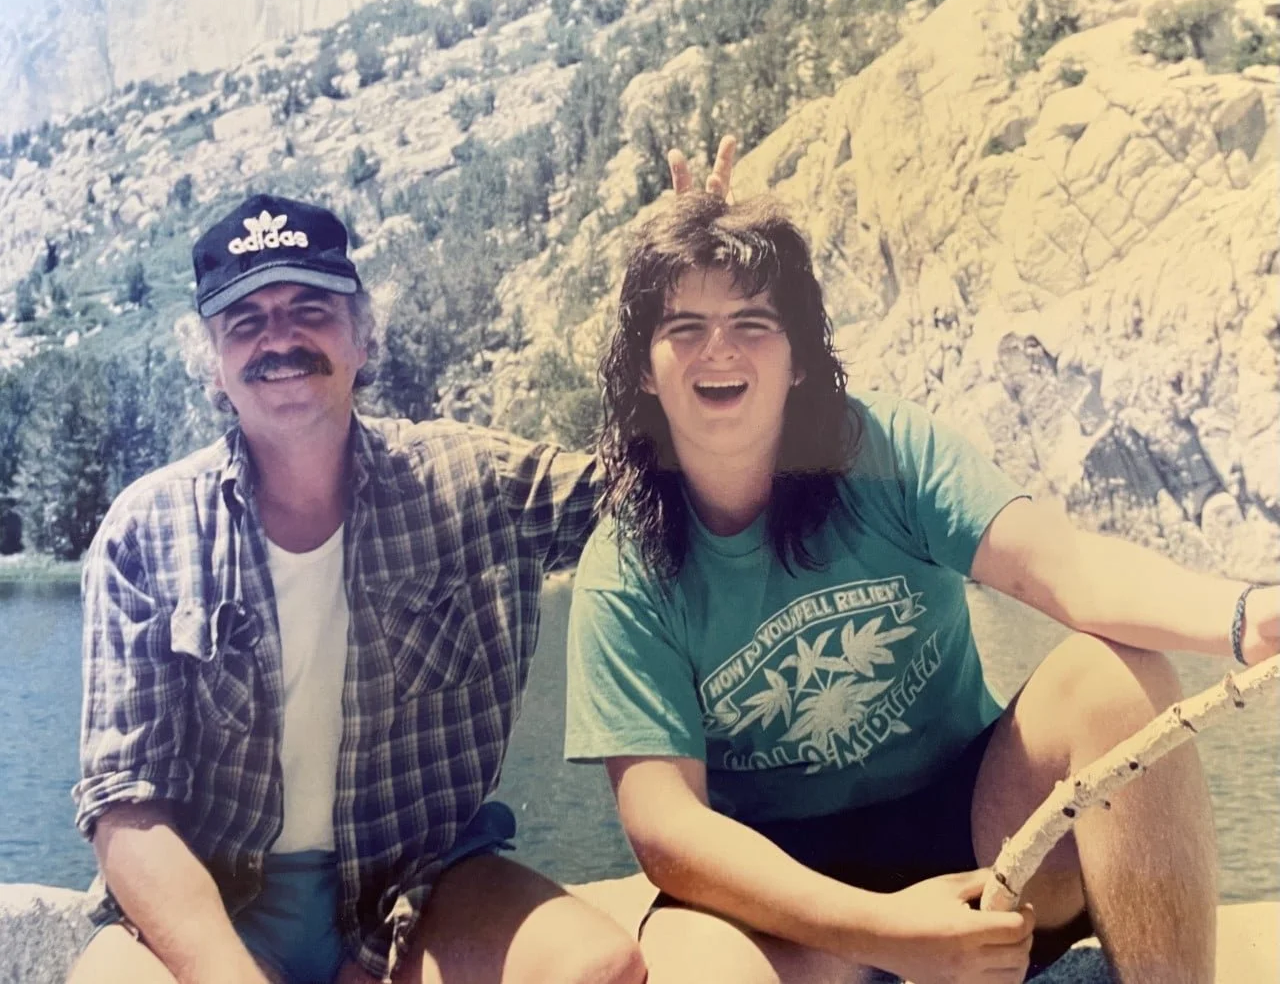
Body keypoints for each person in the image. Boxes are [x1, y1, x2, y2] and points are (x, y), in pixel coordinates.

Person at [563, 175, 1279, 983]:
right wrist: (888, 932)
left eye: (751, 322)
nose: (718, 348)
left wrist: (1248, 615)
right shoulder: (627, 569)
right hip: (783, 888)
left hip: (974, 834)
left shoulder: (886, 454)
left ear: (799, 358)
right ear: (646, 373)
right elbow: (667, 828)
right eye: (684, 327)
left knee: (1116, 676)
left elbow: (1070, 569)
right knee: (692, 971)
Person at [69, 194, 646, 984]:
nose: (280, 338)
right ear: (214, 363)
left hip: (417, 890)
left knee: (598, 967)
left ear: (362, 334)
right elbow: (123, 805)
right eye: (246, 321)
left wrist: (680, 301)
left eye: (310, 307)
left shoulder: (469, 480)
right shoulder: (144, 531)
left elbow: (645, 499)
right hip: (214, 902)